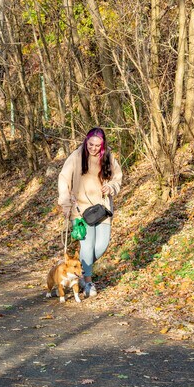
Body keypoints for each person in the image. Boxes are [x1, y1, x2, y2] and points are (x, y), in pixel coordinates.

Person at [58, 127, 122, 297]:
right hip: (80, 208)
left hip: (102, 208)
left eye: (97, 146)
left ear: (103, 145)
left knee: (101, 246)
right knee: (87, 246)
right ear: (86, 141)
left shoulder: (108, 156)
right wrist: (65, 203)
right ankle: (88, 283)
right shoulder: (77, 156)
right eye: (91, 144)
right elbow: (63, 178)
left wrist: (111, 186)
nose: (93, 148)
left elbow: (118, 177)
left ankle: (75, 269)